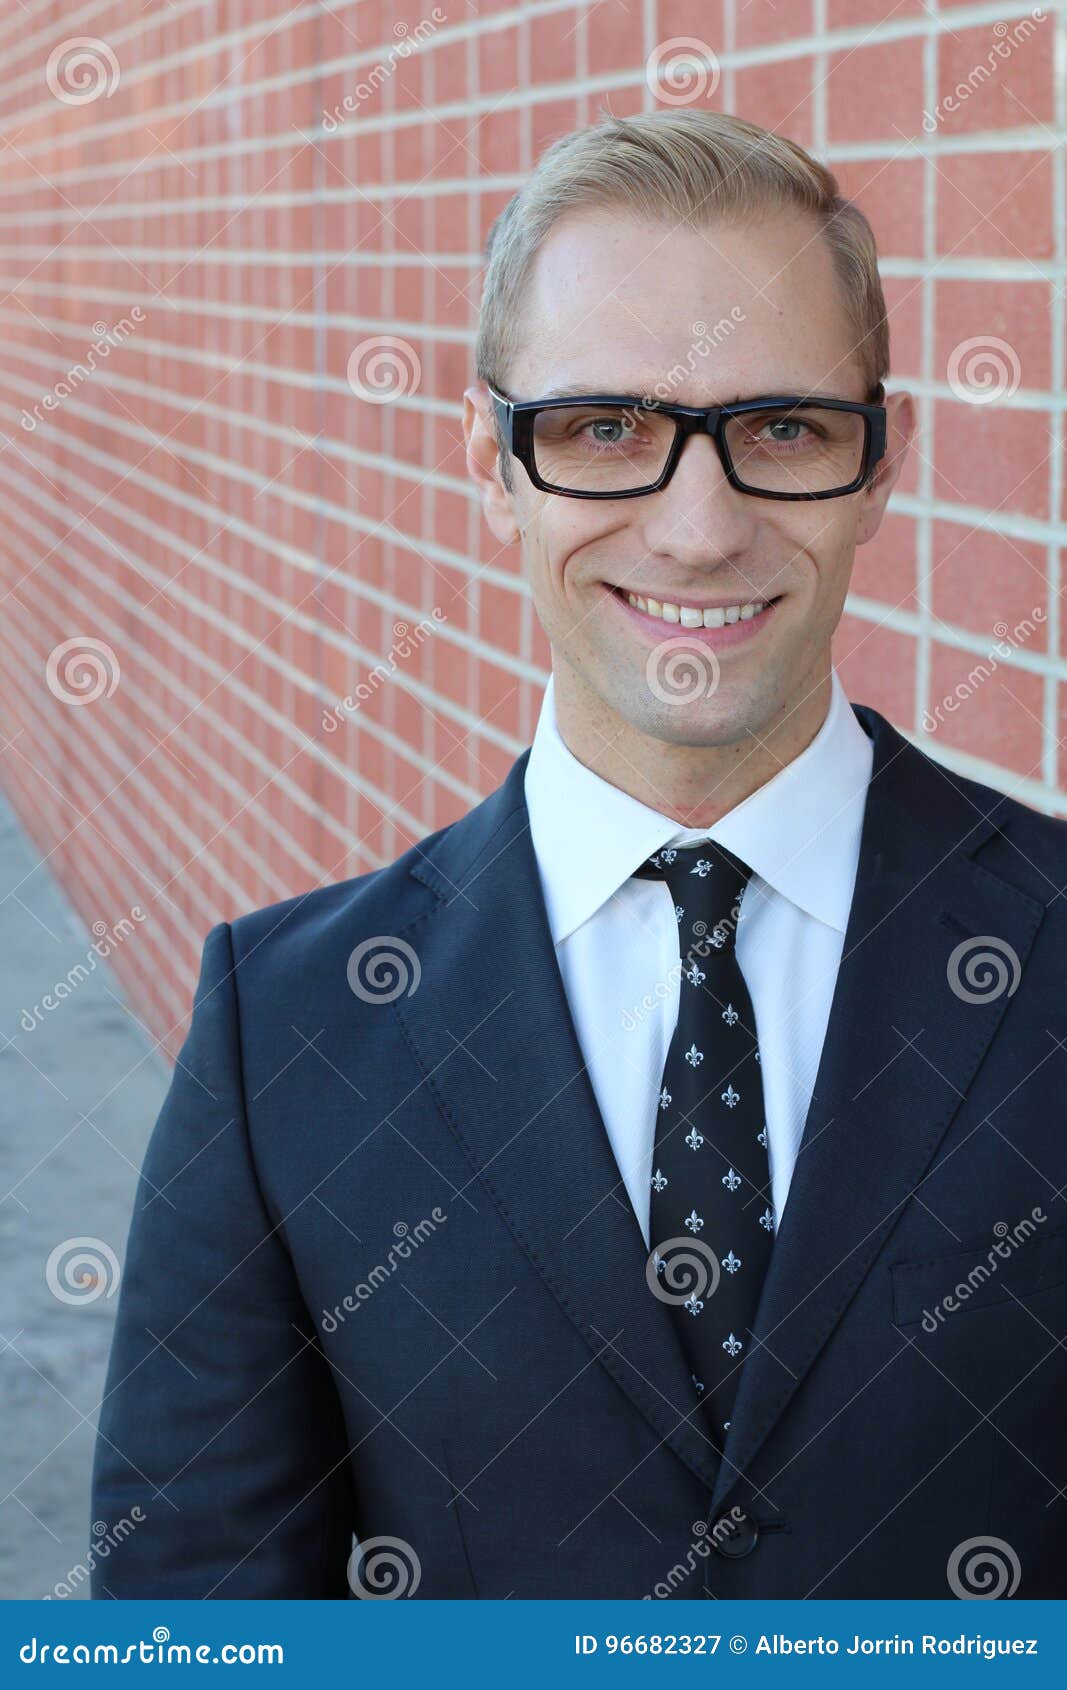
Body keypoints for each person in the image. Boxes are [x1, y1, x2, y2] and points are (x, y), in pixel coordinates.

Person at [91, 107, 1067, 1600]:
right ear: (491, 463)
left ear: (881, 464)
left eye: (784, 429)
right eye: (605, 430)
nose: (699, 529)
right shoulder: (282, 1032)